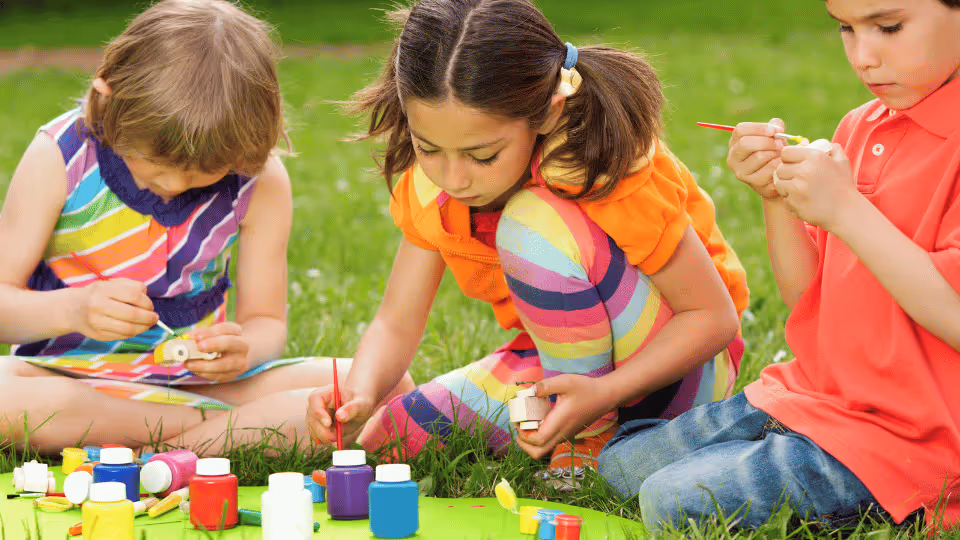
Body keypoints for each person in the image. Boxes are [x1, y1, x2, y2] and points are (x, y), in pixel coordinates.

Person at [307, 0, 748, 488]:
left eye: (483, 155)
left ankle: (584, 442)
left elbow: (713, 317)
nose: (454, 177)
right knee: (393, 435)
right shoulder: (433, 188)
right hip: (569, 369)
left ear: (546, 112)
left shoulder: (602, 161)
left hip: (678, 373)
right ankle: (581, 422)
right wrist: (361, 393)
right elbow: (396, 321)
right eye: (429, 148)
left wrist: (601, 398)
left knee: (529, 222)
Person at [597, 0, 960, 531]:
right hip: (817, 395)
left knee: (671, 501)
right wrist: (775, 196)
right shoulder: (860, 128)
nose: (863, 56)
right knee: (620, 467)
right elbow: (810, 296)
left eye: (888, 27)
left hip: (917, 442)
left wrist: (849, 212)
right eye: (846, 29)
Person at [0, 0, 414, 455]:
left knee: (385, 387)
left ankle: (154, 449)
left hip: (197, 383)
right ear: (109, 95)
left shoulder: (260, 181)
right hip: (70, 380)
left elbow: (266, 323)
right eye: (156, 165)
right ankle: (212, 438)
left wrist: (245, 351)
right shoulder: (59, 157)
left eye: (205, 172)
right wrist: (75, 311)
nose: (176, 185)